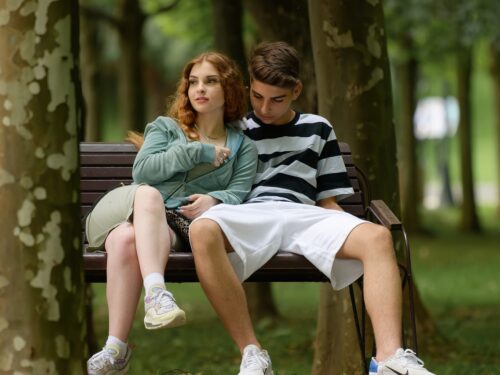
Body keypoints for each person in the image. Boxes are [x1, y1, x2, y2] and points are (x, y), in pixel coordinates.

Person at [189, 41, 435, 375]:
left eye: (277, 99)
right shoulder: (235, 128)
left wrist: (351, 229)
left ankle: (389, 359)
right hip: (250, 214)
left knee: (377, 237)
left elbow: (328, 201)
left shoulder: (318, 127)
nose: (265, 108)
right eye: (257, 97)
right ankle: (252, 352)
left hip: (306, 215)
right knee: (202, 229)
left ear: (296, 90)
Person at [85, 51, 258, 375]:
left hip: (171, 228)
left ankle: (115, 349)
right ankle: (156, 294)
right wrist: (198, 152)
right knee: (147, 196)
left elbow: (239, 191)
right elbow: (143, 173)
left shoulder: (242, 147)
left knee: (125, 241)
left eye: (210, 81)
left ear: (229, 89)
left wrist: (215, 200)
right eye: (193, 82)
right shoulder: (165, 128)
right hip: (126, 208)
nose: (199, 89)